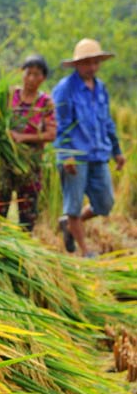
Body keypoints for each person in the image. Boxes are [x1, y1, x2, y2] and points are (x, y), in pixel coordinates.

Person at [52, 38, 125, 257]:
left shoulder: (101, 88)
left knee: (105, 203)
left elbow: (108, 121)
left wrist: (117, 151)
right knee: (73, 205)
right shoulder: (65, 89)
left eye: (95, 63)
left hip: (99, 153)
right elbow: (60, 124)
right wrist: (66, 156)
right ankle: (85, 252)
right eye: (87, 63)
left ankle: (68, 223)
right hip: (75, 156)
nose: (92, 67)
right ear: (77, 65)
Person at [0, 54, 56, 232]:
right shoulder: (8, 96)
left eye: (37, 74)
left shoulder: (45, 103)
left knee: (27, 217)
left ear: (43, 78)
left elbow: (51, 134)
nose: (32, 79)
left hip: (30, 165)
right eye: (28, 73)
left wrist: (22, 138)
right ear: (22, 73)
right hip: (3, 163)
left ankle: (22, 254)